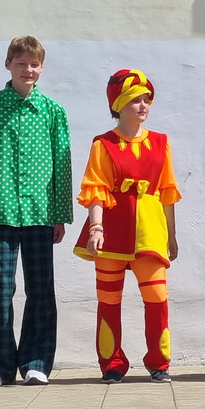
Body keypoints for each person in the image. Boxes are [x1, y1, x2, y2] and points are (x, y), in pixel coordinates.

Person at [0, 36, 73, 387]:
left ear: (42, 68)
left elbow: (62, 165)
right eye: (21, 63)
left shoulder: (53, 112)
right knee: (0, 289)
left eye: (34, 64)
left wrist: (60, 213)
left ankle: (36, 363)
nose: (28, 70)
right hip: (1, 211)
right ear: (8, 64)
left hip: (41, 213)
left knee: (41, 289)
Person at [73, 70, 180, 383]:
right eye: (135, 100)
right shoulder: (102, 144)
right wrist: (96, 228)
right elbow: (96, 189)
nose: (143, 105)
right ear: (118, 105)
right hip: (112, 229)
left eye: (147, 99)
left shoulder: (161, 143)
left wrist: (172, 235)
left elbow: (167, 192)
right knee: (108, 300)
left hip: (151, 230)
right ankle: (112, 364)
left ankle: (159, 362)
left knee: (157, 297)